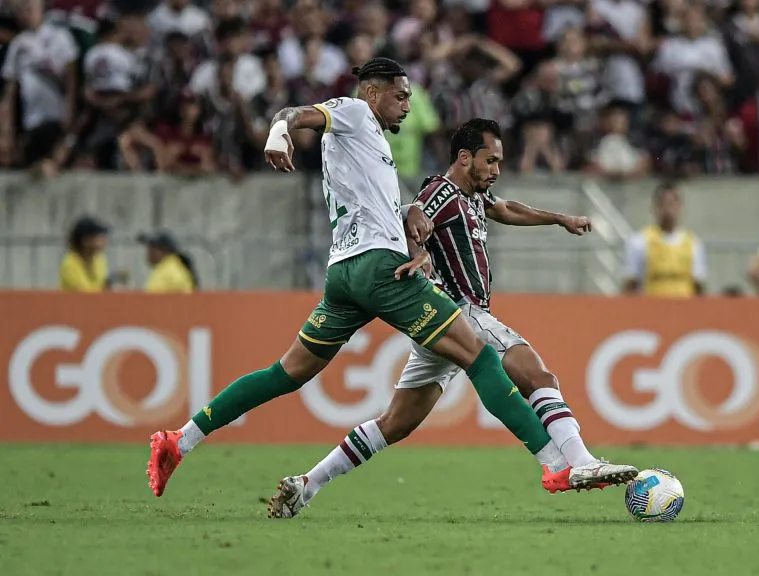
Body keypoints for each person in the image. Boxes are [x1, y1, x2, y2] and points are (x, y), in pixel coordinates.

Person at [146, 58, 634, 504]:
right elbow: (298, 112)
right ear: (373, 92)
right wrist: (280, 130)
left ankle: (181, 440)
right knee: (480, 355)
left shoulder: (373, 145)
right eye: (400, 95)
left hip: (344, 275)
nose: (407, 104)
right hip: (379, 269)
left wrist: (412, 223)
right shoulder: (356, 114)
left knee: (290, 373)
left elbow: (390, 208)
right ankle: (557, 465)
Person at [267, 118, 638, 518]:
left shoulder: (475, 196)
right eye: (490, 161)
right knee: (539, 376)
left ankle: (307, 485)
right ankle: (579, 460)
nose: (496, 170)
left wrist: (558, 218)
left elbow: (507, 208)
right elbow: (408, 217)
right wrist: (417, 252)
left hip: (441, 328)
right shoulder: (441, 192)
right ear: (465, 158)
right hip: (461, 311)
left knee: (396, 423)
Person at [622, 182, 707, 297]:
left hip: (685, 310)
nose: (668, 210)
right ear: (655, 208)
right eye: (663, 204)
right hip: (652, 309)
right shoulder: (640, 241)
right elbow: (630, 284)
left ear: (680, 207)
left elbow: (699, 286)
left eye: (672, 204)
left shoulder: (693, 243)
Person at [59, 216, 121, 292]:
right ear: (85, 241)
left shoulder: (99, 259)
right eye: (98, 237)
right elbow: (85, 293)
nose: (104, 240)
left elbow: (101, 284)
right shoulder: (70, 263)